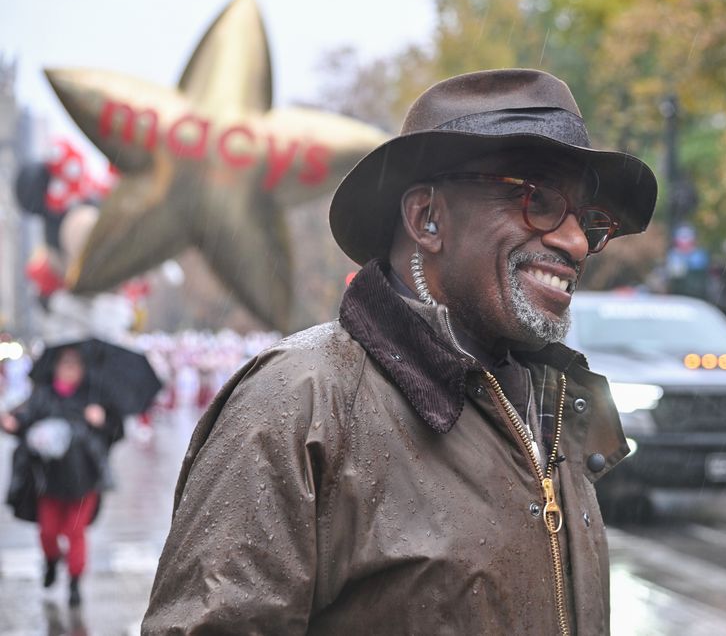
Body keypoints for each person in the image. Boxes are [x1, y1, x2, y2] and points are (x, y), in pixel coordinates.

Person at [142, 68, 657, 634]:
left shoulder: (555, 406)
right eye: (536, 199)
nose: (576, 242)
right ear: (427, 219)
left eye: (588, 220)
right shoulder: (300, 402)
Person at [1, 345, 123, 607]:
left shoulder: (94, 397)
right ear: (56, 367)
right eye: (65, 363)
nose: (69, 369)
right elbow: (25, 422)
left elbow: (116, 431)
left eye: (74, 364)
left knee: (75, 531)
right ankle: (51, 560)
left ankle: (75, 583)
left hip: (85, 481)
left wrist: (102, 420)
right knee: (48, 531)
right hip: (48, 481)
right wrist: (13, 425)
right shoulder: (42, 396)